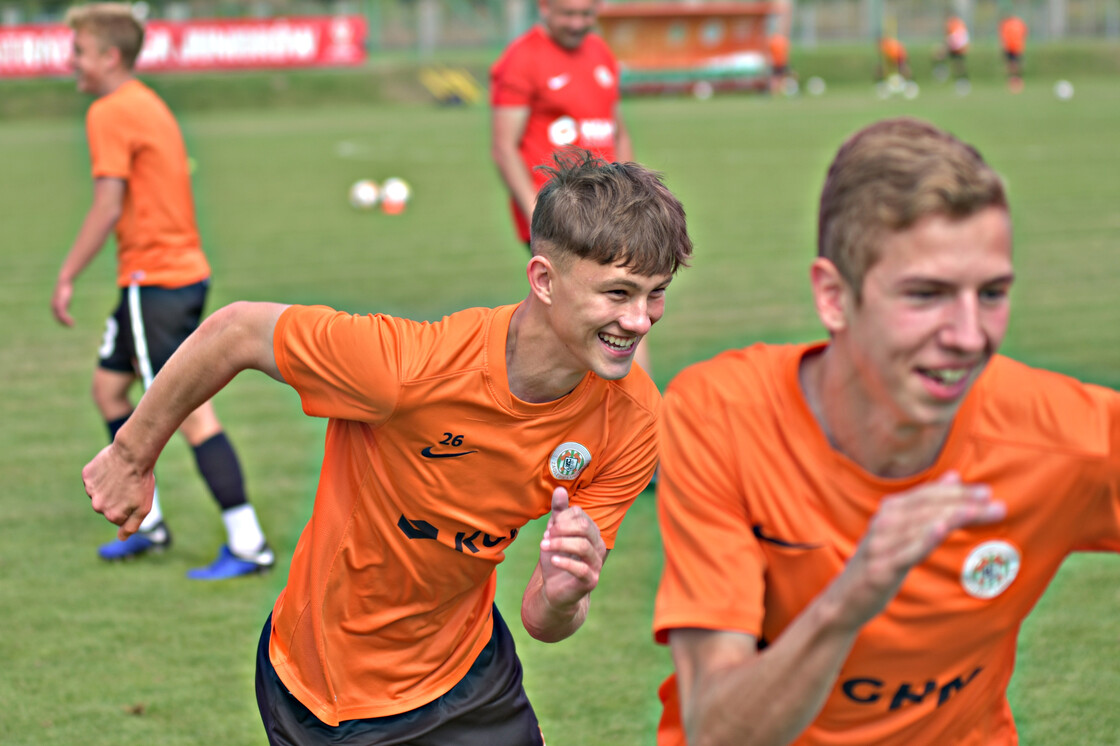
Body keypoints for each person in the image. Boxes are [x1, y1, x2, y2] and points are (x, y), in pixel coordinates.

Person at [83, 149, 693, 744]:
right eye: (618, 294)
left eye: (655, 293)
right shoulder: (406, 367)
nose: (640, 321)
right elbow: (235, 330)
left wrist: (566, 594)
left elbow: (544, 620)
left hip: (470, 675)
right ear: (544, 280)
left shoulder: (635, 420)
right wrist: (131, 456)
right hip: (326, 694)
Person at [652, 117, 1120, 745]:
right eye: (926, 295)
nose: (969, 334)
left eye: (992, 293)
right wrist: (851, 600)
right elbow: (717, 731)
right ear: (834, 297)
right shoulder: (722, 417)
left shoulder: (1062, 434)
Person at [53, 2, 272, 580]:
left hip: (158, 282)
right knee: (109, 390)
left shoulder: (111, 110)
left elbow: (108, 203)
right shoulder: (146, 101)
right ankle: (145, 524)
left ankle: (248, 541)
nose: (70, 60)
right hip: (163, 280)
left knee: (191, 412)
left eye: (78, 50)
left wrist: (68, 273)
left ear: (109, 56)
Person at [490, 0, 653, 375]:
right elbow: (504, 146)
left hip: (610, 209)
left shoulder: (600, 52)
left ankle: (631, 415)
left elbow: (617, 130)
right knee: (601, 314)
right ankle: (638, 414)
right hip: (562, 213)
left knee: (616, 309)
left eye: (587, 13)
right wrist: (539, 214)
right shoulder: (521, 59)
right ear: (544, 7)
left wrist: (636, 195)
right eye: (569, 13)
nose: (579, 23)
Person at [1000, 13, 1028, 92]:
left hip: (1014, 47)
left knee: (1014, 65)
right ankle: (1013, 81)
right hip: (1014, 47)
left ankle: (1016, 81)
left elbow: (1003, 37)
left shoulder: (1007, 24)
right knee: (1013, 65)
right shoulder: (1015, 23)